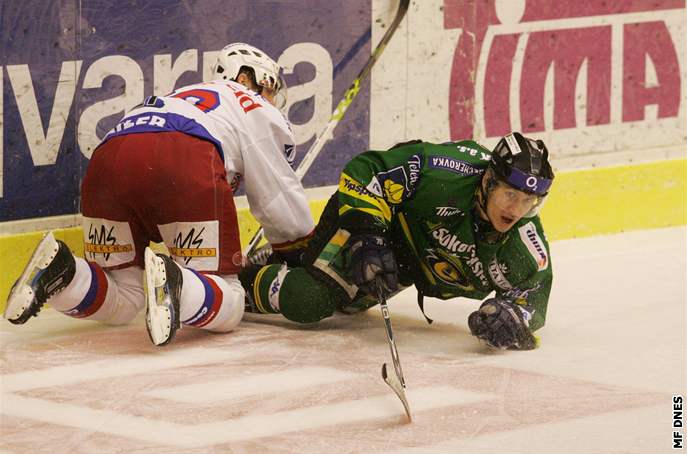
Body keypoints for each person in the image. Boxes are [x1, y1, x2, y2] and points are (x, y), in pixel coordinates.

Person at [4, 43, 314, 346]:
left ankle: (63, 272)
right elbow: (277, 195)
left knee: (124, 297)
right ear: (246, 78)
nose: (274, 99)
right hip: (183, 155)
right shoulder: (250, 102)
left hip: (109, 159)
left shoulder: (181, 96)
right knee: (229, 298)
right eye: (272, 87)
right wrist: (300, 250)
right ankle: (178, 282)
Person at [239, 132, 555, 350]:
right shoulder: (446, 171)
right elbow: (366, 170)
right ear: (488, 181)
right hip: (378, 221)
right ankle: (234, 285)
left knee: (346, 307)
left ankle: (295, 257)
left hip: (407, 264)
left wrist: (510, 318)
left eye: (530, 200)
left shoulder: (523, 242)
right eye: (510, 195)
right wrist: (368, 236)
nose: (516, 209)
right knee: (309, 299)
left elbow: (532, 295)